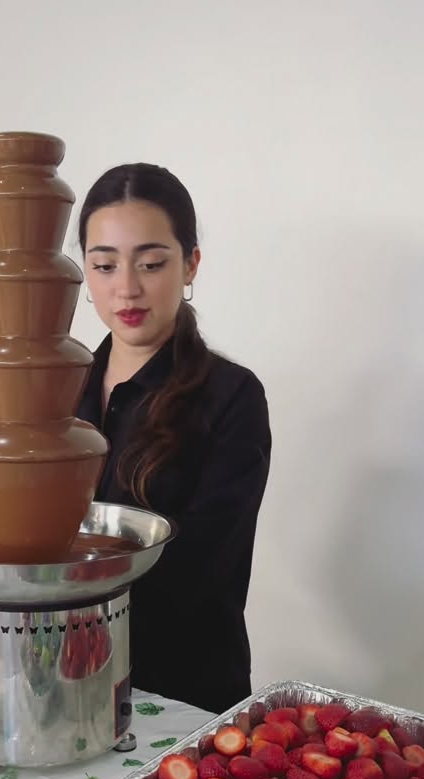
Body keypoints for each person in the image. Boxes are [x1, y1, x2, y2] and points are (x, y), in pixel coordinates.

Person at [76, 163, 271, 714]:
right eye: (105, 265)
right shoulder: (58, 392)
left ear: (190, 265)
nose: (127, 287)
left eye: (152, 263)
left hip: (183, 693)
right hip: (66, 680)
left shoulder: (231, 397)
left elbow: (202, 569)